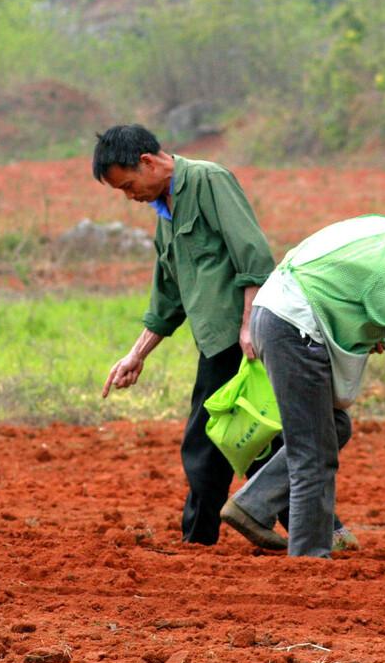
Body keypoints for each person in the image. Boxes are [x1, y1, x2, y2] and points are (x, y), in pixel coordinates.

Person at [220, 189, 385, 557]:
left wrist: (367, 331)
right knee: (313, 451)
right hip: (294, 328)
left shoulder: (384, 229)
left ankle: (252, 505)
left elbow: (339, 282)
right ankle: (310, 556)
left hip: (273, 312)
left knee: (332, 427)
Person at [94, 123, 277, 546]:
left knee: (207, 439)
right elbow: (168, 294)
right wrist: (136, 355)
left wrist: (249, 325)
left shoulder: (209, 180)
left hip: (239, 336)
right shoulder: (165, 209)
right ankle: (314, 526)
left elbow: (252, 254)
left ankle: (198, 539)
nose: (130, 197)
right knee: (250, 437)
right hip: (216, 337)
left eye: (128, 185)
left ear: (148, 161)